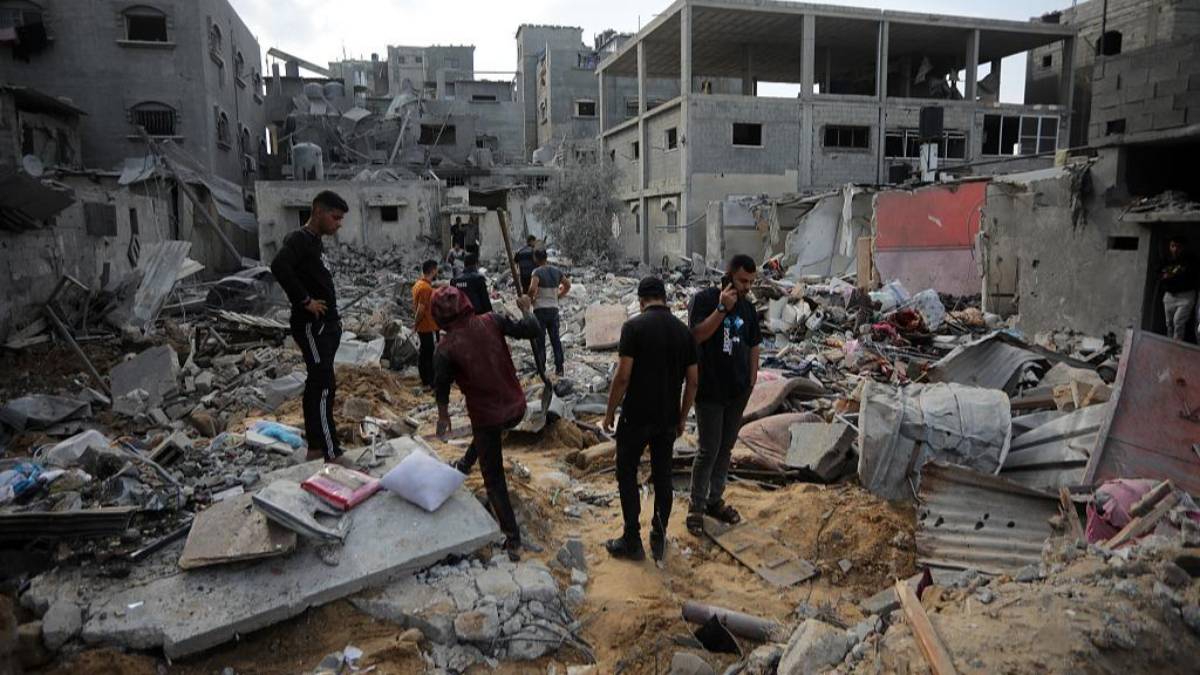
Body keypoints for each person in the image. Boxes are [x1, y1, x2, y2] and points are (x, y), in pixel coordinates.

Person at [433, 286, 542, 561]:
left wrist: (443, 416)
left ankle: (513, 539)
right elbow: (532, 329)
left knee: (493, 478)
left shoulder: (444, 349)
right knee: (486, 437)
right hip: (516, 406)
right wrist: (526, 309)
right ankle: (464, 465)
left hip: (487, 416)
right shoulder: (492, 320)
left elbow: (441, 387)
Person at [602, 277, 698, 562]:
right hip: (667, 417)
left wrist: (609, 412)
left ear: (641, 300)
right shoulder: (684, 333)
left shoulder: (633, 327)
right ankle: (659, 533)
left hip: (636, 415)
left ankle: (632, 539)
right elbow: (693, 382)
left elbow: (622, 376)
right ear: (664, 298)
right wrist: (682, 417)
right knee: (663, 475)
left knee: (627, 472)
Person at [270, 190, 350, 464]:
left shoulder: (314, 242)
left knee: (317, 385)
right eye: (335, 217)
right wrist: (305, 301)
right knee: (324, 385)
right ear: (318, 211)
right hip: (313, 327)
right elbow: (279, 266)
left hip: (324, 327)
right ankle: (330, 452)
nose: (338, 224)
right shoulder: (300, 239)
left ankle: (316, 448)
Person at [686, 254, 761, 536]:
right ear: (729, 277)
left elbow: (754, 343)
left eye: (751, 282)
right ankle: (696, 506)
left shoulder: (748, 308)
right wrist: (721, 309)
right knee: (708, 450)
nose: (747, 287)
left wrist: (752, 380)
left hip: (737, 390)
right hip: (710, 389)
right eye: (743, 281)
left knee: (725, 449)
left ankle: (714, 500)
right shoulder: (704, 300)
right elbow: (696, 336)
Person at [527, 249, 571, 377]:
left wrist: (530, 299)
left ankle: (541, 368)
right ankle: (559, 368)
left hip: (540, 310)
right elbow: (567, 285)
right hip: (553, 309)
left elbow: (532, 288)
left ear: (536, 259)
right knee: (555, 340)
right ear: (546, 257)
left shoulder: (536, 272)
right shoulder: (557, 271)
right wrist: (559, 296)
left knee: (540, 341)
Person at [1161, 237, 1198, 342]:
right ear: (1169, 247)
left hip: (1186, 296)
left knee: (1178, 322)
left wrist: (1173, 273)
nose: (1175, 249)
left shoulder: (1191, 260)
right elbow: (1160, 273)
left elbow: (1191, 275)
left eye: (1178, 247)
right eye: (1173, 246)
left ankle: (1176, 346)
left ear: (1183, 248)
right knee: (1169, 323)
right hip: (1170, 295)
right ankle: (1169, 345)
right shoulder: (1166, 259)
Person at [412, 260, 440, 388]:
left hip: (424, 326)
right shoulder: (425, 288)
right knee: (429, 355)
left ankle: (426, 380)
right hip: (428, 326)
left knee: (424, 353)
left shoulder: (418, 284)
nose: (437, 272)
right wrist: (415, 324)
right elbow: (421, 309)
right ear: (433, 270)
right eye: (436, 269)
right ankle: (429, 381)